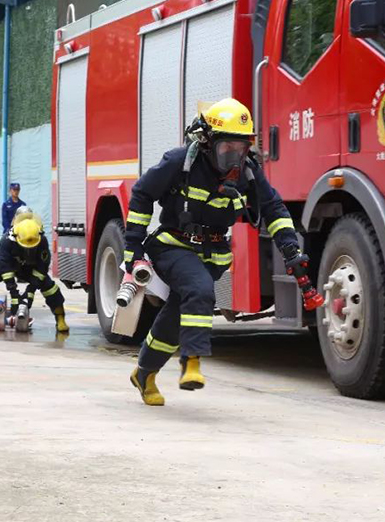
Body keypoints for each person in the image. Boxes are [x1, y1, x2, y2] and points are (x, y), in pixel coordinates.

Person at [123, 98, 312, 406]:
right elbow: (142, 193)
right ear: (208, 141)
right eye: (227, 148)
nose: (234, 157)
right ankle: (192, 363)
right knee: (200, 292)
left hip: (212, 254)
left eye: (241, 148)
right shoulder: (179, 162)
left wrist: (291, 250)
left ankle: (144, 372)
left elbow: (274, 208)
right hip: (173, 245)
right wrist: (132, 245)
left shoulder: (247, 172)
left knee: (174, 318)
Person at [0, 209, 69, 334]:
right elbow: (5, 268)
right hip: (4, 262)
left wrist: (29, 293)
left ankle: (61, 320)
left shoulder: (39, 239)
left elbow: (41, 269)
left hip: (27, 266)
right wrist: (14, 293)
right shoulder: (7, 240)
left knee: (50, 288)